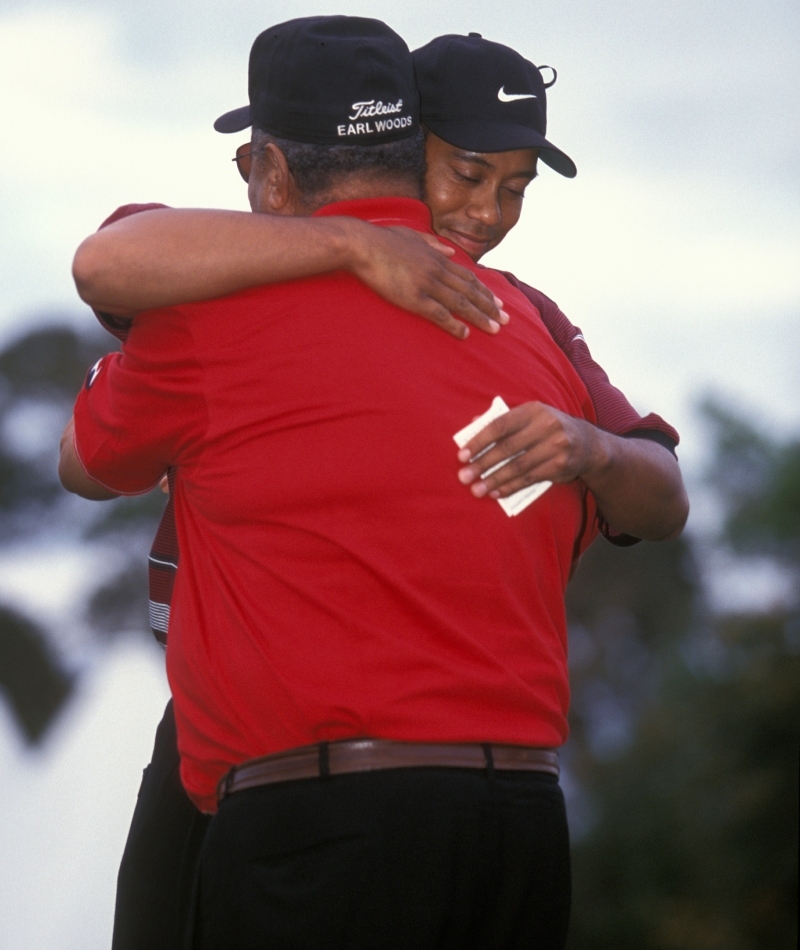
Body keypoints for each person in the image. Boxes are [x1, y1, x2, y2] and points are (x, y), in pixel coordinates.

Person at [65, 25, 688, 950]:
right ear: (409, 154)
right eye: (468, 175)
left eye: (512, 187)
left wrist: (592, 448)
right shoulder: (522, 327)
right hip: (508, 810)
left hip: (303, 792)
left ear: (273, 173)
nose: (487, 210)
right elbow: (114, 257)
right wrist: (353, 246)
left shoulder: (218, 313)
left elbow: (85, 442)